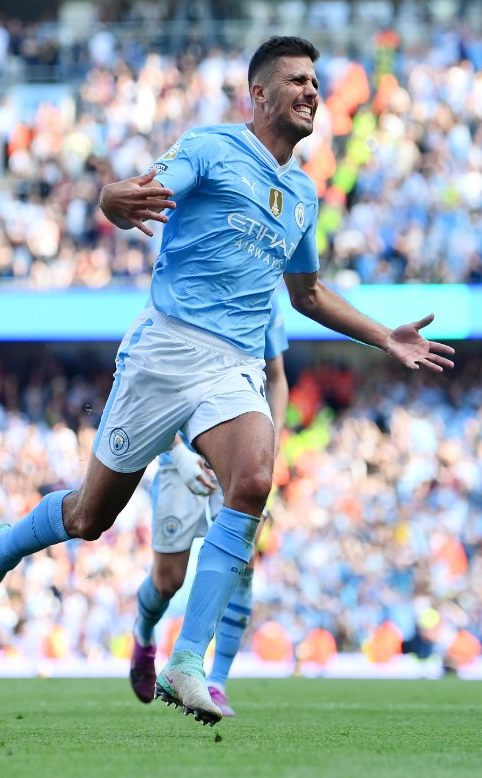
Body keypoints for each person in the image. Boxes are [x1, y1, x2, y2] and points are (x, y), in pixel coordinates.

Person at [0, 36, 455, 726]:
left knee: (254, 478)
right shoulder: (210, 148)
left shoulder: (302, 194)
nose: (312, 93)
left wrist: (383, 335)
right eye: (298, 82)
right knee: (88, 519)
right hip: (166, 349)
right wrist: (110, 198)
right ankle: (2, 547)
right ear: (260, 94)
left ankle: (189, 664)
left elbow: (305, 297)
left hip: (233, 365)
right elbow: (143, 192)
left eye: (316, 83)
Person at [128, 294, 290, 718]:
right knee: (168, 581)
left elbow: (276, 378)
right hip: (181, 452)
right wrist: (178, 455)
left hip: (235, 447)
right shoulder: (188, 284)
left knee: (243, 562)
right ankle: (144, 634)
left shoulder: (263, 295)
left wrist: (266, 455)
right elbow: (155, 381)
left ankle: (215, 682)